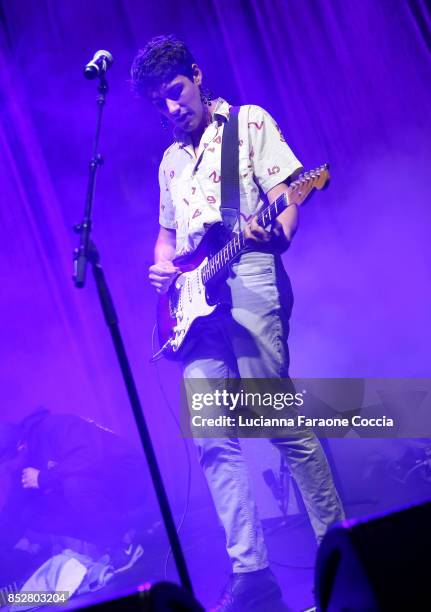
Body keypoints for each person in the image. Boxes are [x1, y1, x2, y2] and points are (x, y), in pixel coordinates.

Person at [131, 35, 345, 611]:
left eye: (175, 93)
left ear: (196, 77)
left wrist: (277, 230)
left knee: (277, 419)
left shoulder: (247, 123)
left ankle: (341, 553)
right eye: (158, 103)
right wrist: (160, 268)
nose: (170, 108)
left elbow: (287, 194)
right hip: (193, 303)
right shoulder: (169, 161)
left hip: (248, 273)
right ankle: (252, 572)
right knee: (212, 440)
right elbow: (168, 236)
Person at [0, 409, 147, 575]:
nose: (6, 472)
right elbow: (13, 513)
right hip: (96, 488)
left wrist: (43, 478)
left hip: (129, 477)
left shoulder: (53, 427)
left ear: (20, 448)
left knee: (74, 484)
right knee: (29, 512)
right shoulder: (21, 468)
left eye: (6, 467)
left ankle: (121, 545)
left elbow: (89, 455)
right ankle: (106, 539)